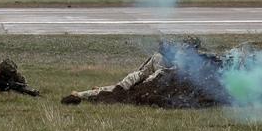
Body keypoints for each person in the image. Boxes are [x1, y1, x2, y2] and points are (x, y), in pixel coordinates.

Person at [61, 38, 197, 104]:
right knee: (114, 92)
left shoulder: (166, 59)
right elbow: (153, 75)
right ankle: (80, 95)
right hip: (140, 84)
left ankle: (84, 93)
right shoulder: (160, 59)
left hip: (141, 82)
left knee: (112, 90)